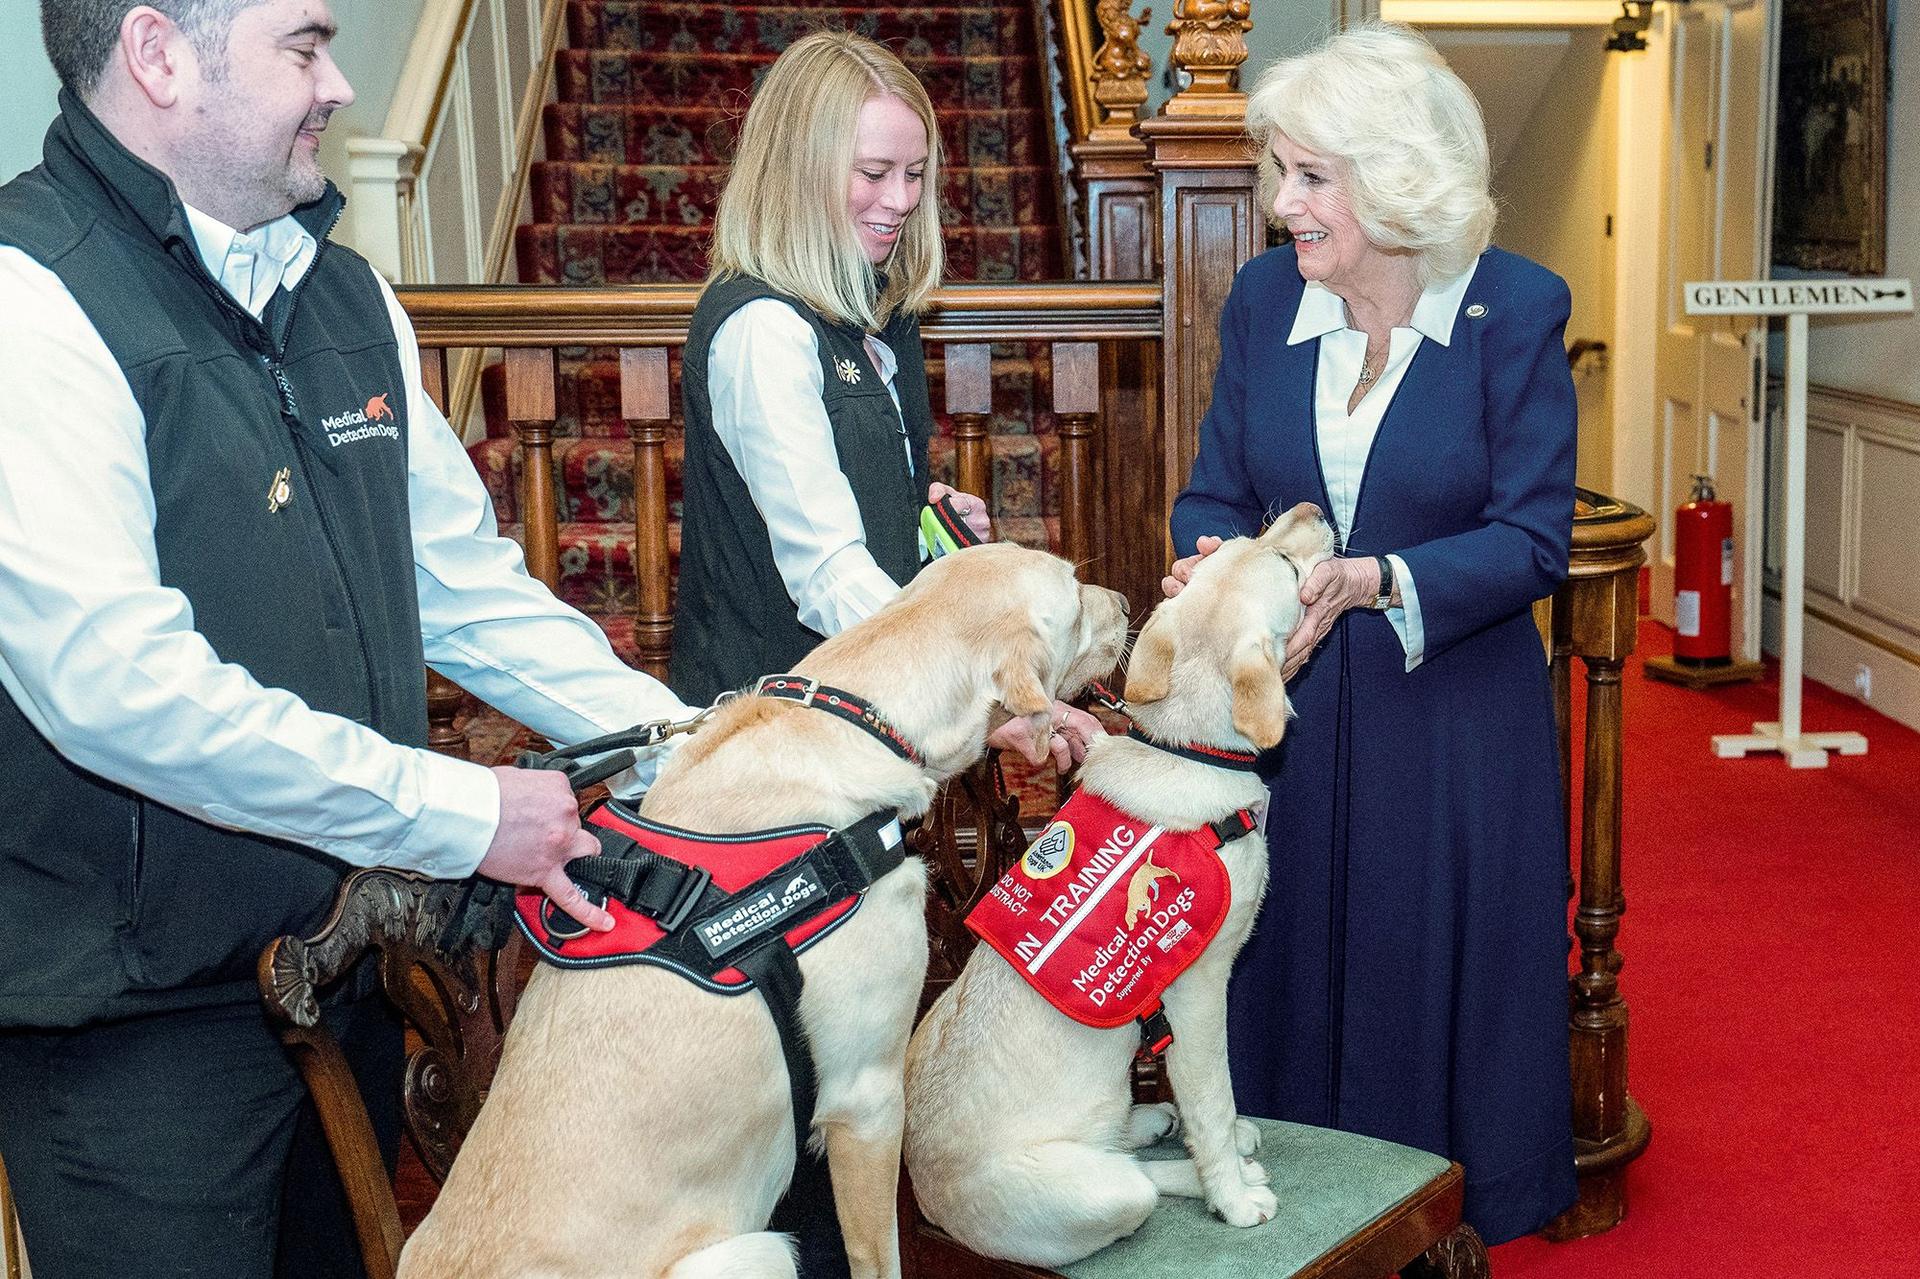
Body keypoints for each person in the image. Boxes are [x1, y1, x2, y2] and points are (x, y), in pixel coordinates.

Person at [0, 3, 697, 1276]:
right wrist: (459, 809)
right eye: (305, 47)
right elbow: (114, 685)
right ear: (159, 56)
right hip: (136, 1028)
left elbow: (464, 588)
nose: (338, 86)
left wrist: (690, 747)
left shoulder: (346, 289)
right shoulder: (27, 293)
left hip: (347, 973)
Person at [666, 30, 1102, 1276]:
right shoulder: (759, 330)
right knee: (787, 1070)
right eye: (871, 173)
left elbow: (875, 524)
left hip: (858, 738)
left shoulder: (871, 324)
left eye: (915, 177)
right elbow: (829, 578)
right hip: (775, 754)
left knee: (843, 1062)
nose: (897, 203)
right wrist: (990, 674)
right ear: (798, 165)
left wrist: (936, 527)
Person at [1164, 24, 1579, 1244]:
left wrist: (1382, 577)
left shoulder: (1517, 308)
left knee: (1427, 968)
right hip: (1287, 717)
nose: (1280, 205)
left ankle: (1442, 1210)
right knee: (1285, 961)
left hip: (1453, 724)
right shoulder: (1260, 303)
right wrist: (1216, 568)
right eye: (1278, 172)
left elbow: (1532, 537)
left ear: (1396, 181)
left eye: (1309, 177)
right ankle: (1293, 1208)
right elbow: (1212, 493)